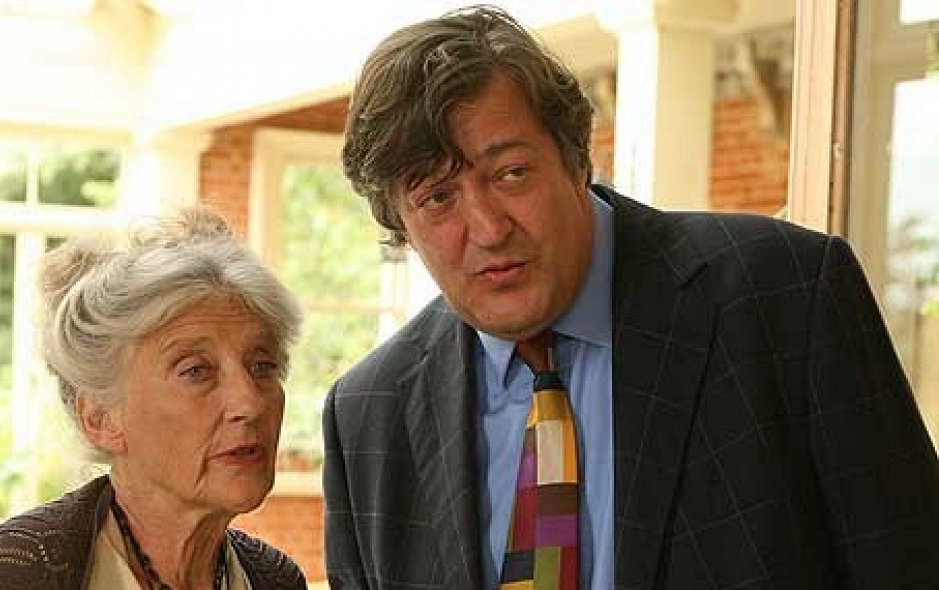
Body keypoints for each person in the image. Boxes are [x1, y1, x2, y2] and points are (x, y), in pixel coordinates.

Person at [323, 5, 939, 589]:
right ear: (401, 226)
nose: (487, 228)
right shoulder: (368, 417)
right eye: (437, 198)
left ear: (576, 159)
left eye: (510, 173)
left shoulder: (785, 296)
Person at [0, 207, 307, 589]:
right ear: (101, 418)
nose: (249, 403)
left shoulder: (275, 581)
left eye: (263, 366)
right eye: (196, 371)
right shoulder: (17, 574)